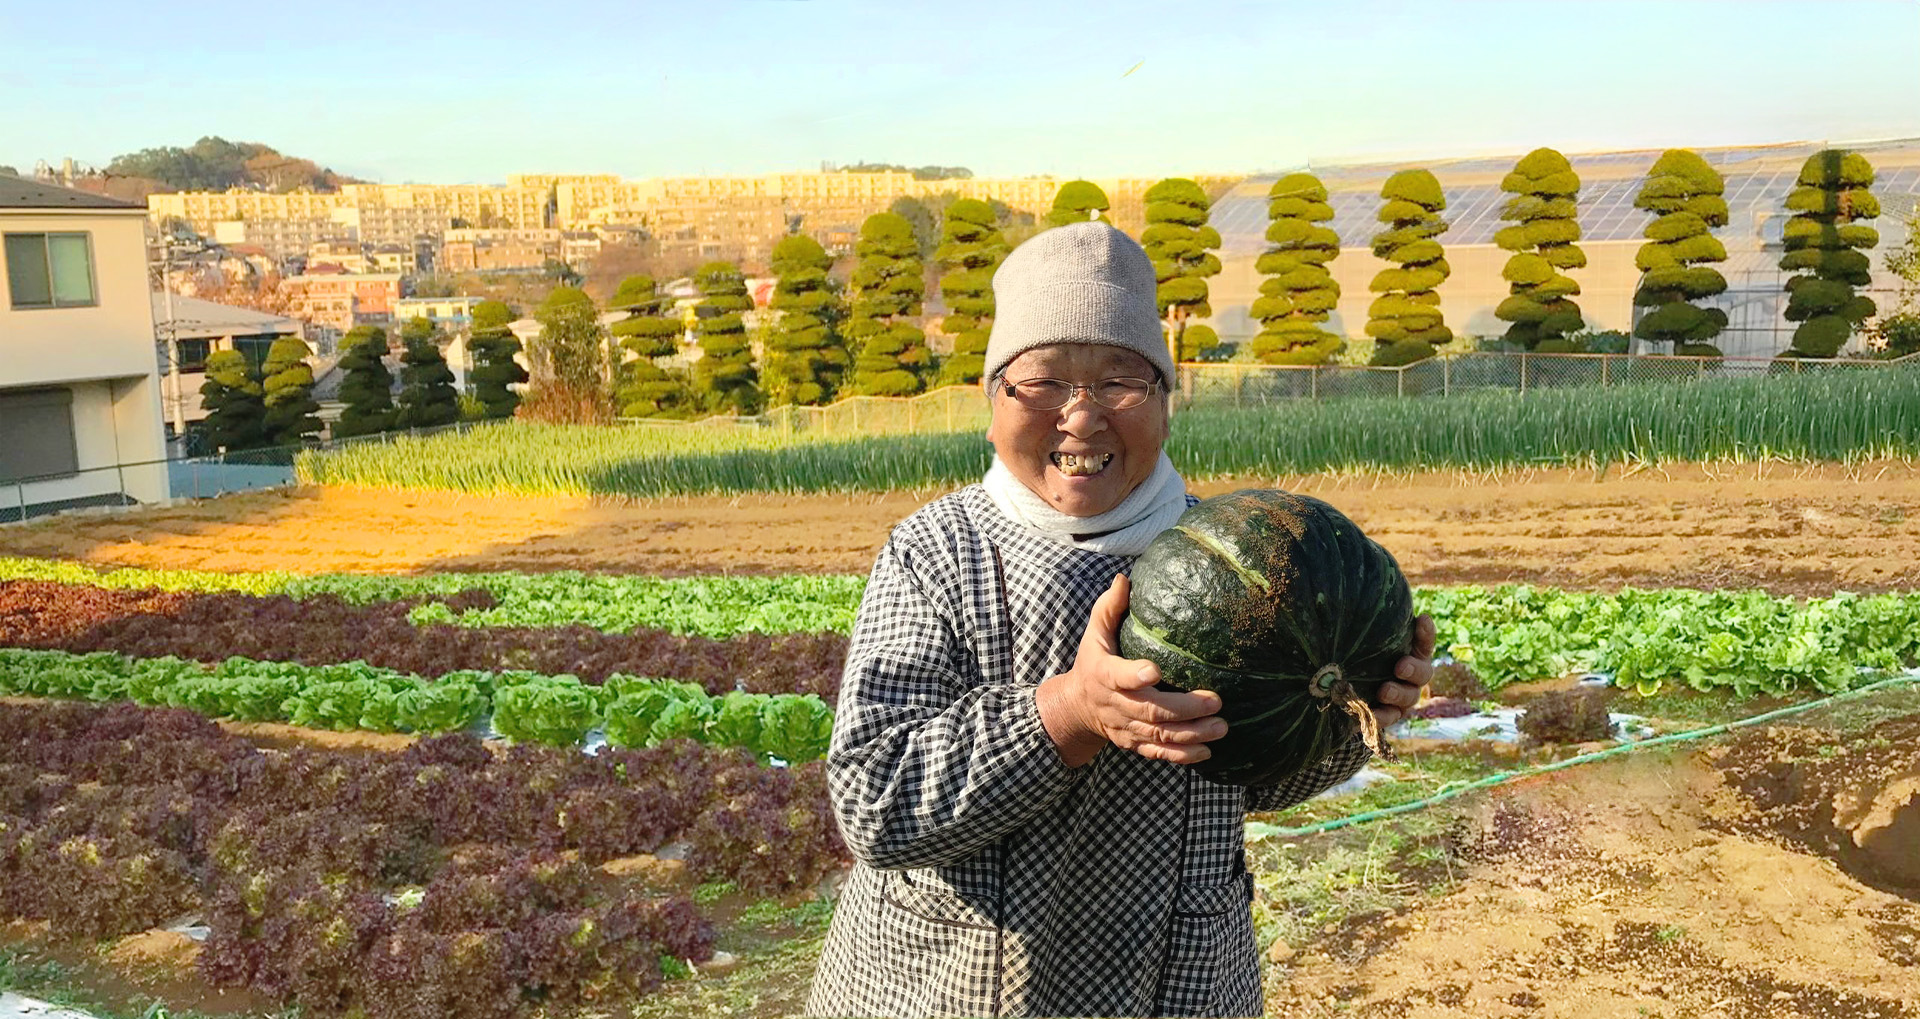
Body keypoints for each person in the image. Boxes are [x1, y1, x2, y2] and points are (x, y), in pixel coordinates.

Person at [805, 222, 1434, 1018]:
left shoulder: (1250, 554)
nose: (1080, 416)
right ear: (993, 402)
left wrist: (1349, 717)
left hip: (1177, 984)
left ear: (1166, 403)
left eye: (1120, 381)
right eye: (1042, 381)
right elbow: (875, 801)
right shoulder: (936, 554)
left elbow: (1258, 775)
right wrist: (1069, 712)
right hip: (962, 989)